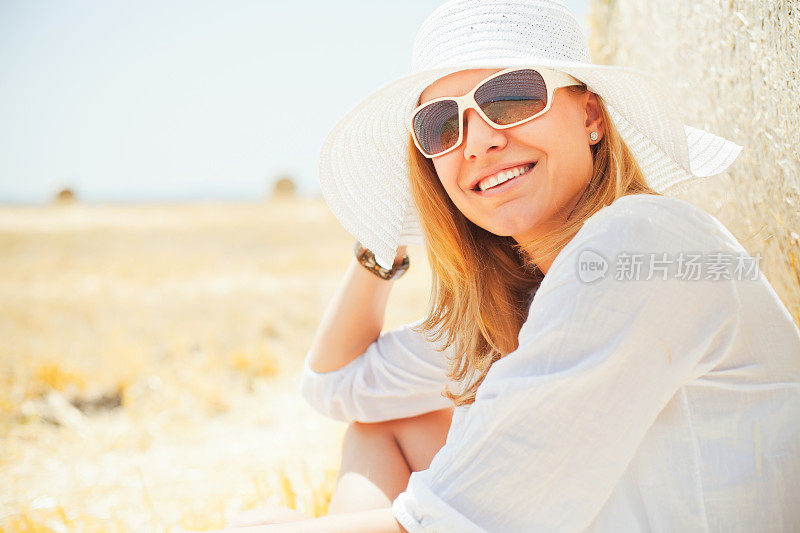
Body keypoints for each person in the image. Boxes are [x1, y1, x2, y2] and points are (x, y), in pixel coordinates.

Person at [217, 0, 800, 531]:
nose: (477, 143)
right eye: (442, 126)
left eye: (512, 96)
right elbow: (336, 386)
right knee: (381, 429)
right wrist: (382, 245)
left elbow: (453, 524)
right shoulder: (525, 299)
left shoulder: (637, 250)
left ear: (592, 116)